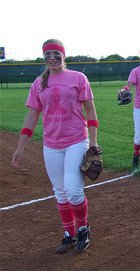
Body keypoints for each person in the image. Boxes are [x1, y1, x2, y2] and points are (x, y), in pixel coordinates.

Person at [11, 39, 98, 254]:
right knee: (60, 192)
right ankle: (69, 234)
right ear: (43, 57)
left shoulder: (78, 78)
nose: (52, 58)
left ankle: (83, 229)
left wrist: (94, 143)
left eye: (56, 54)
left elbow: (91, 113)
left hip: (76, 140)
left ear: (63, 55)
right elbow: (32, 116)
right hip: (51, 144)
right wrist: (20, 147)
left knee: (74, 191)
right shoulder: (39, 83)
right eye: (48, 54)